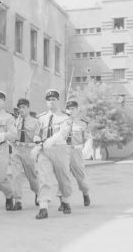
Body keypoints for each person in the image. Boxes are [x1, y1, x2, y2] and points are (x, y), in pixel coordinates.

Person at [33, 89, 73, 220]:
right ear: (46, 102)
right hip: (44, 151)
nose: (51, 102)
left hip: (59, 150)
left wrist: (49, 141)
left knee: (63, 178)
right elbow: (37, 133)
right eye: (49, 100)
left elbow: (63, 134)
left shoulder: (65, 117)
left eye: (53, 99)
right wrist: (37, 141)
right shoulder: (41, 118)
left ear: (58, 100)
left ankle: (65, 201)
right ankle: (43, 207)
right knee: (43, 178)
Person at [10, 98, 40, 210]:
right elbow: (11, 134)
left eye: (23, 107)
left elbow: (37, 137)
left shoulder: (35, 122)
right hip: (17, 149)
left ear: (28, 108)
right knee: (16, 175)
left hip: (29, 150)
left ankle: (38, 192)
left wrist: (36, 150)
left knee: (31, 176)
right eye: (20, 107)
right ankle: (17, 200)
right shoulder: (15, 121)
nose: (21, 109)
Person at [62, 99, 91, 206]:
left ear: (77, 110)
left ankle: (85, 193)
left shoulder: (82, 124)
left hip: (76, 152)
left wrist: (85, 151)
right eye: (68, 109)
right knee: (62, 176)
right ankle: (63, 201)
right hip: (64, 151)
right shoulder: (61, 123)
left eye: (73, 109)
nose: (71, 111)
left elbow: (88, 139)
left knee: (80, 177)